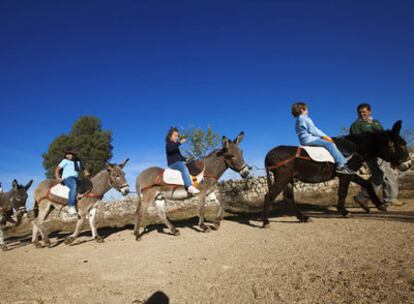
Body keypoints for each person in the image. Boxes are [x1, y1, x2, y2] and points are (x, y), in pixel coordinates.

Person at [350, 103, 402, 207]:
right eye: (360, 112)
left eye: (364, 112)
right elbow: (356, 141)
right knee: (383, 174)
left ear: (369, 111)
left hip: (383, 153)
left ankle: (362, 197)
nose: (362, 114)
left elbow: (384, 137)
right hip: (371, 155)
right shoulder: (356, 125)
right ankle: (390, 199)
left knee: (381, 175)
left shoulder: (376, 122)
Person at [292, 102, 355, 175]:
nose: (308, 111)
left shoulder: (297, 120)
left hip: (303, 140)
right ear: (302, 109)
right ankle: (341, 165)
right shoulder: (305, 119)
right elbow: (314, 130)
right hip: (310, 139)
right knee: (330, 145)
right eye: (306, 109)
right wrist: (325, 137)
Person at [55, 149, 90, 216]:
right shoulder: (65, 161)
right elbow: (57, 169)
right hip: (67, 178)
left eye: (70, 154)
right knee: (74, 185)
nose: (68, 156)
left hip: (77, 178)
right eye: (67, 154)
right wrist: (57, 177)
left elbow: (83, 167)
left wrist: (86, 171)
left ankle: (84, 205)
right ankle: (71, 206)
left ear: (74, 155)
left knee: (87, 185)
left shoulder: (78, 162)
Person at [165, 127, 200, 194]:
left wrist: (185, 159)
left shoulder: (176, 146)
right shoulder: (169, 144)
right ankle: (189, 186)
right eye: (175, 136)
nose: (177, 137)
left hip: (178, 162)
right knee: (183, 168)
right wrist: (180, 142)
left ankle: (196, 184)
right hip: (173, 163)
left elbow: (179, 156)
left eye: (177, 136)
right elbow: (171, 149)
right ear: (170, 136)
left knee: (190, 167)